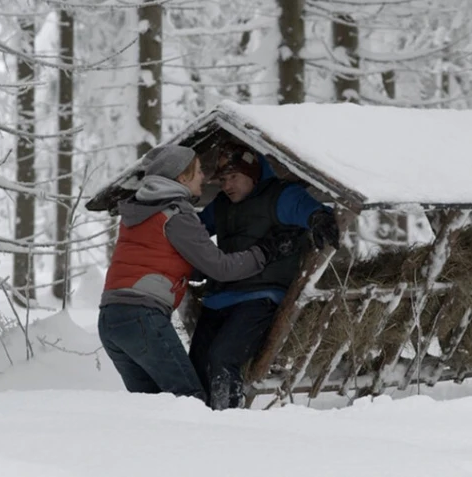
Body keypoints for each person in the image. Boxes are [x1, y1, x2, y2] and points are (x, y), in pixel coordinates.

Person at [98, 145, 299, 402]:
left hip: (110, 320)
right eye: (199, 171)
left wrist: (197, 270)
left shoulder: (138, 213)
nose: (205, 177)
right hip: (143, 319)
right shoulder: (176, 213)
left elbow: (161, 261)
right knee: (189, 401)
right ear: (182, 178)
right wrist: (265, 251)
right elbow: (221, 268)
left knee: (151, 405)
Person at [189, 146, 340, 410]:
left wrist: (318, 218)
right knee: (197, 363)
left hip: (260, 298)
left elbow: (306, 208)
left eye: (233, 177)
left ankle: (226, 422)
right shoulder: (221, 206)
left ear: (252, 173)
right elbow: (193, 231)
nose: (226, 185)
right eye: (222, 180)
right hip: (219, 298)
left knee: (223, 358)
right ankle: (196, 422)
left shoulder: (278, 196)